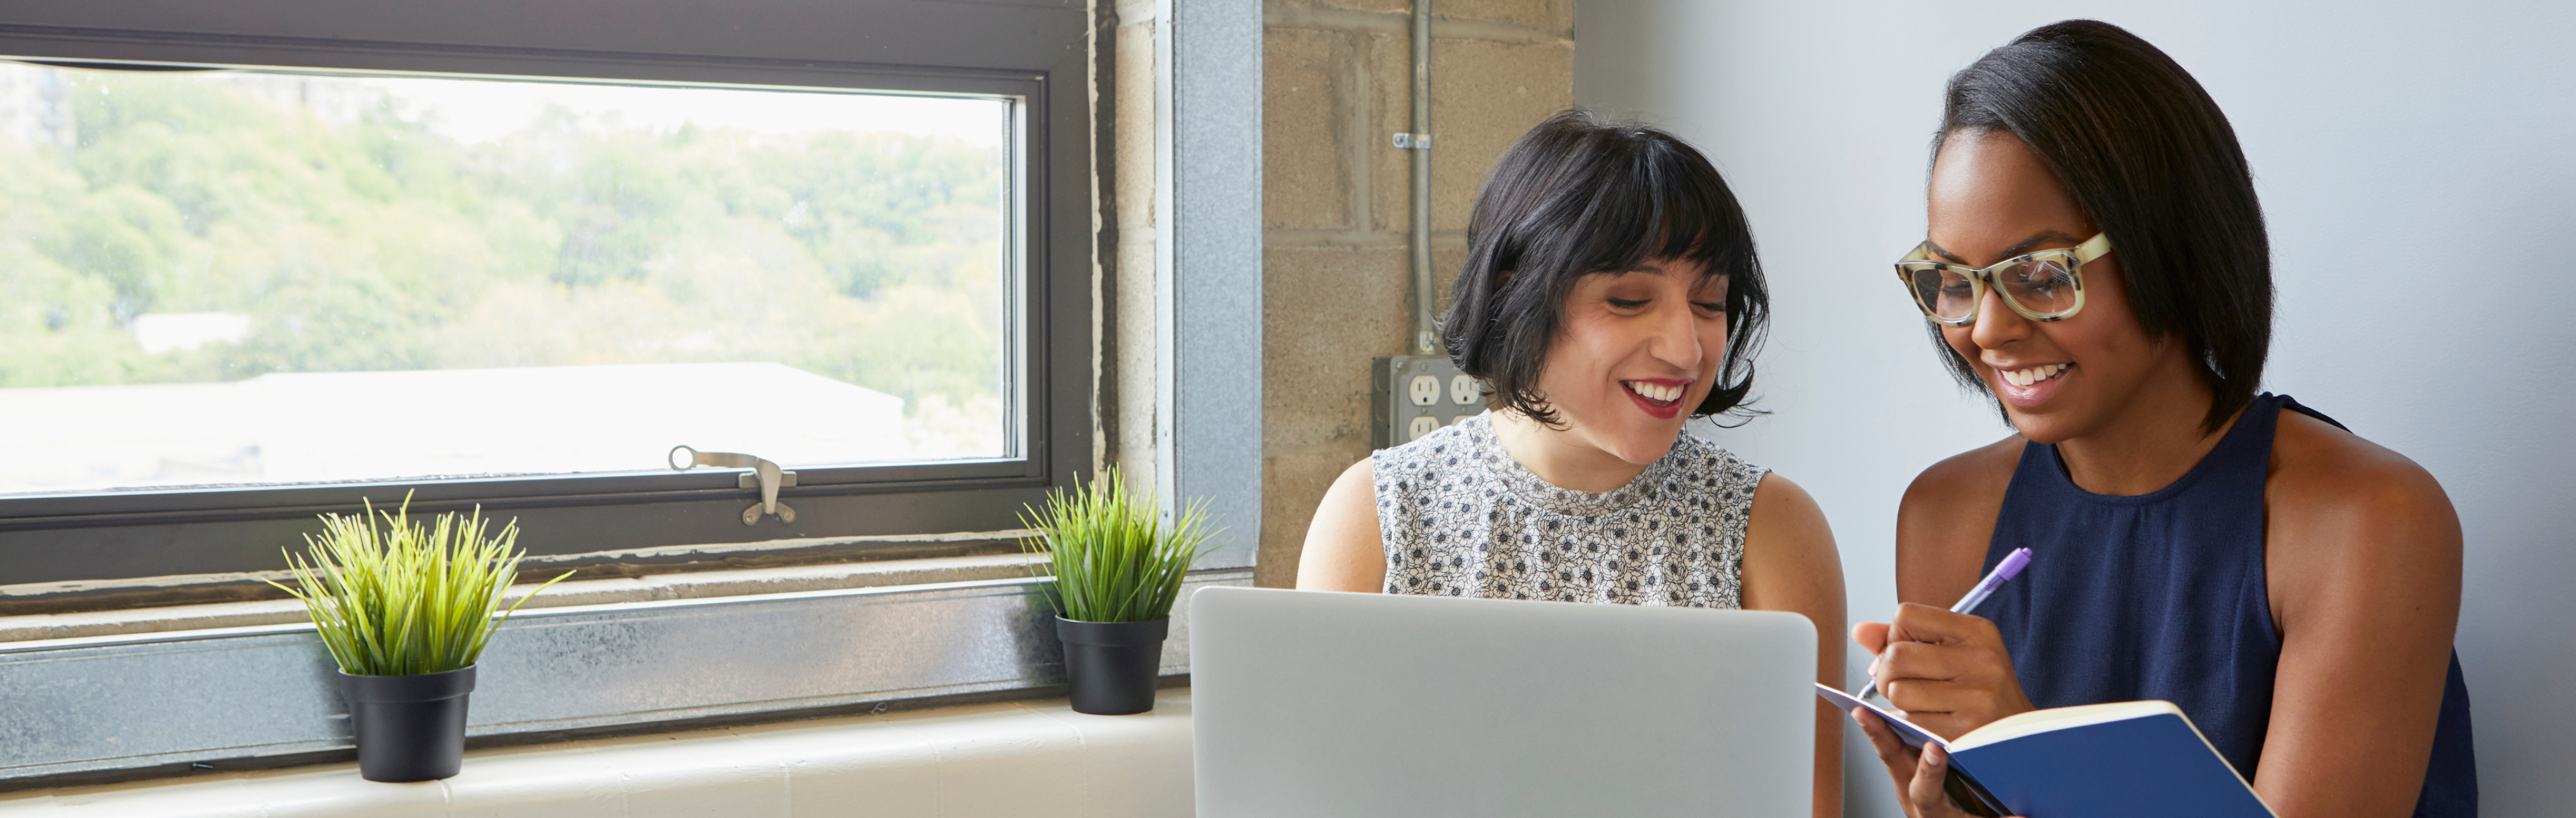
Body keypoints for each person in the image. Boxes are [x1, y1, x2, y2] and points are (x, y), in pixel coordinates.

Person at [1851, 20, 2475, 818]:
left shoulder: (2369, 520)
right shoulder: (1946, 514)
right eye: (1955, 279)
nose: (1987, 329)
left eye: (2041, 275)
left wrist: (2032, 746)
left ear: (2173, 245)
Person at [1297, 109, 1847, 817]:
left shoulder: (1771, 527)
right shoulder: (1378, 511)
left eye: (1710, 301)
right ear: (1512, 292)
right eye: (1628, 299)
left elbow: (1806, 805)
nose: (1686, 350)